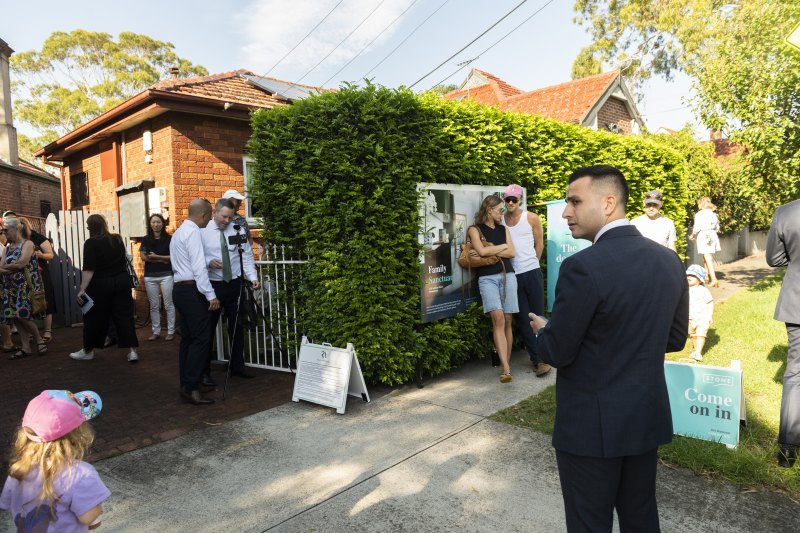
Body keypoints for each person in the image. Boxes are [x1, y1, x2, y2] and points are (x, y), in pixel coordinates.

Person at [529, 165, 688, 532]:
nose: (566, 211)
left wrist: (544, 331)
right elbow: (675, 338)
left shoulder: (581, 267)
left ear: (609, 203)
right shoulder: (669, 261)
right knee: (641, 518)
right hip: (644, 418)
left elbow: (556, 352)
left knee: (589, 523)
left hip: (589, 429)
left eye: (574, 201)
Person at [0, 389, 110, 531]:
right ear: (78, 434)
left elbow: (9, 503)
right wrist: (97, 510)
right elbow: (88, 518)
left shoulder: (18, 469)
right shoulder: (81, 474)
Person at [202, 198, 260, 380]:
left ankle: (237, 365)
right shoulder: (202, 231)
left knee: (237, 326)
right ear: (214, 213)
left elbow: (247, 256)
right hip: (213, 286)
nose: (227, 221)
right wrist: (208, 262)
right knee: (208, 329)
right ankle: (205, 372)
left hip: (234, 284)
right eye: (224, 217)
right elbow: (194, 258)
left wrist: (252, 277)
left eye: (230, 217)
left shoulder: (238, 229)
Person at [69, 214, 140, 363]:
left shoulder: (90, 243)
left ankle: (88, 351)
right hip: (122, 281)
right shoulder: (117, 239)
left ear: (90, 227)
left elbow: (89, 270)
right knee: (125, 316)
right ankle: (133, 351)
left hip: (101, 284)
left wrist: (82, 289)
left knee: (93, 317)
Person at [171, 199, 220, 405]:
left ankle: (187, 385)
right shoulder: (193, 233)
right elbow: (199, 268)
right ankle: (192, 387)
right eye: (209, 216)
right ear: (204, 215)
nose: (210, 220)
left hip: (179, 290)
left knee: (189, 340)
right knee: (201, 339)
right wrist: (211, 295)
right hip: (192, 291)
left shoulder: (179, 232)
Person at [501, 183, 550, 377]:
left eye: (514, 199)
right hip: (512, 275)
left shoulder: (531, 217)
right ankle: (538, 360)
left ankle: (547, 355)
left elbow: (539, 244)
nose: (511, 202)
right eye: (507, 199)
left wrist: (533, 263)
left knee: (537, 315)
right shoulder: (501, 220)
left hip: (531, 271)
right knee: (522, 319)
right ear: (504, 200)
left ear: (520, 199)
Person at [766, 199, 800, 468]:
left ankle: (788, 451)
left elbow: (775, 259)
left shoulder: (787, 211)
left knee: (795, 373)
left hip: (796, 302)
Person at [469, 195, 517, 383]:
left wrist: (493, 249)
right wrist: (502, 247)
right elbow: (480, 252)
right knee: (497, 318)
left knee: (507, 319)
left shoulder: (503, 229)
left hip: (508, 275)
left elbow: (512, 253)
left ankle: (507, 364)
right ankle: (505, 369)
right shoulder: (475, 229)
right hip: (487, 278)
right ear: (490, 210)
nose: (502, 213)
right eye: (500, 210)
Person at [0, 217, 47, 359]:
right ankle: (26, 347)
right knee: (16, 317)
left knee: (23, 315)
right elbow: (6, 266)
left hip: (25, 287)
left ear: (16, 229)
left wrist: (5, 268)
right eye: (2, 231)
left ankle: (39, 339)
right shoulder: (7, 248)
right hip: (10, 288)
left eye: (6, 230)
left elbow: (21, 263)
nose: (4, 233)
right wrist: (10, 269)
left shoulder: (28, 244)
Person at [14, 216, 57, 343]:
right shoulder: (17, 240)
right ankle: (32, 332)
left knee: (46, 300)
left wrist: (40, 254)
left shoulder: (39, 238)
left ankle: (48, 331)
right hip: (23, 276)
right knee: (27, 302)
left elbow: (51, 255)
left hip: (41, 274)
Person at [141, 213, 176, 341]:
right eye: (153, 222)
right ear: (150, 224)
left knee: (169, 304)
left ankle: (171, 331)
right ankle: (156, 331)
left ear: (163, 224)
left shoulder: (169, 239)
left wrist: (156, 257)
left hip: (167, 275)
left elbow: (173, 258)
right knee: (154, 305)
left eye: (158, 222)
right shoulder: (146, 239)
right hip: (150, 276)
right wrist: (163, 259)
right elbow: (143, 257)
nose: (156, 224)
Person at [685, 264, 714, 362]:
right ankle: (696, 349)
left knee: (701, 334)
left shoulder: (703, 290)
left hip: (702, 317)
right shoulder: (685, 290)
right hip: (689, 318)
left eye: (693, 276)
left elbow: (710, 302)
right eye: (688, 275)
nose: (689, 277)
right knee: (693, 335)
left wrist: (709, 315)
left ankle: (698, 352)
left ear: (700, 279)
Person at [691, 196, 720, 287]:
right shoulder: (713, 214)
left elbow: (697, 227)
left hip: (704, 235)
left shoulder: (699, 214)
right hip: (712, 234)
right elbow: (717, 227)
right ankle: (706, 277)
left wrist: (692, 235)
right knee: (706, 256)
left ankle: (714, 279)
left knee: (707, 256)